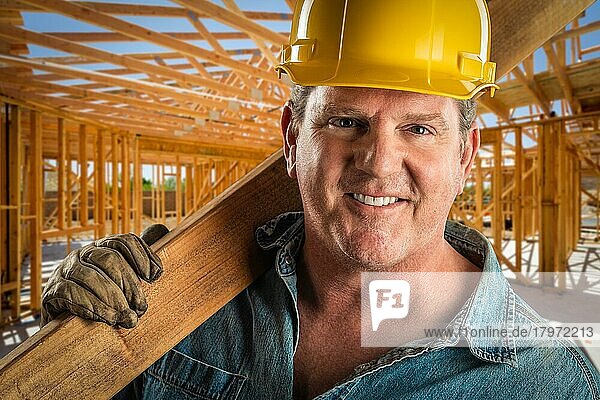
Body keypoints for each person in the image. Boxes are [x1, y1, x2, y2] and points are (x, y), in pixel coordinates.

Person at [41, 0, 600, 399]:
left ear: (465, 156)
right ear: (291, 139)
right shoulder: (177, 296)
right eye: (345, 122)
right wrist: (73, 343)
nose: (378, 164)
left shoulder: (548, 383)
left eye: (419, 129)